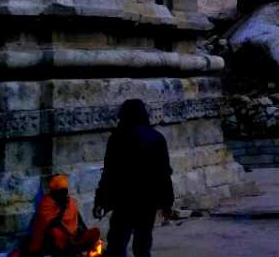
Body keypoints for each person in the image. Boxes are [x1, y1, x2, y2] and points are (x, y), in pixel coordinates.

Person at [94, 99, 175, 257]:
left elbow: (109, 173)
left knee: (117, 243)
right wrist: (167, 203)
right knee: (143, 244)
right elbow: (164, 174)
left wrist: (100, 200)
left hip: (123, 200)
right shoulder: (157, 138)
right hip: (147, 200)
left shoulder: (117, 138)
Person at [20, 174, 101, 257]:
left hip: (72, 235)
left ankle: (75, 246)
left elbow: (78, 218)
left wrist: (84, 232)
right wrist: (62, 209)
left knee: (95, 232)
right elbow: (52, 224)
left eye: (65, 192)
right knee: (57, 233)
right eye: (61, 192)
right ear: (54, 192)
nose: (64, 195)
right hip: (51, 236)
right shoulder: (46, 203)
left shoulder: (71, 202)